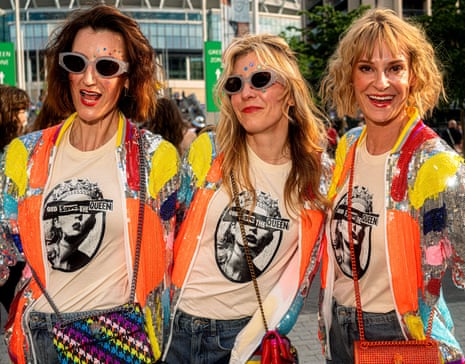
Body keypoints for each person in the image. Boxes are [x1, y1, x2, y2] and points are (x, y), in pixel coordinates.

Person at [0, 4, 179, 363]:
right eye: (77, 63)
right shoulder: (26, 154)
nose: (89, 79)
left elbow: (168, 264)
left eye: (107, 66)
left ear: (128, 77)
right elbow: (6, 253)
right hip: (42, 340)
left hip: (117, 341)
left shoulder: (154, 157)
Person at [163, 33, 331, 363]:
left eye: (261, 79)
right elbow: (166, 233)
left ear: (291, 94)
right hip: (174, 334)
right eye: (235, 85)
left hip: (247, 340)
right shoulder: (207, 154)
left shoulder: (319, 178)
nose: (246, 93)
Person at [319, 8, 465, 364]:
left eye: (395, 68)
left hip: (400, 334)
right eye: (366, 68)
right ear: (350, 76)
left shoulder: (434, 161)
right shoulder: (349, 145)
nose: (380, 83)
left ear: (413, 76)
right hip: (337, 327)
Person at [0, 85, 30, 316]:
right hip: (12, 250)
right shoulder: (15, 153)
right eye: (20, 110)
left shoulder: (21, 149)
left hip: (16, 249)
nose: (25, 116)